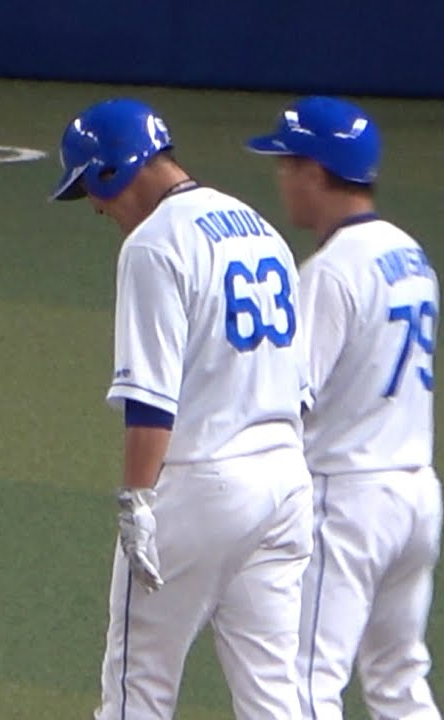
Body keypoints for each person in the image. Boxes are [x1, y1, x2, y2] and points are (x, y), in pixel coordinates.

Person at [51, 98, 314, 719]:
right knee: (273, 694)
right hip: (286, 485)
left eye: (92, 188)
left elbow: (150, 400)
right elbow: (301, 388)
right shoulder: (258, 226)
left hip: (203, 486)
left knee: (136, 686)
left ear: (114, 169)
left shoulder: (154, 244)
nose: (95, 206)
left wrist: (139, 501)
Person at [246, 96, 444, 719]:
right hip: (416, 495)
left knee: (305, 682)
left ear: (314, 171)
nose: (281, 180)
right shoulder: (412, 254)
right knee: (399, 679)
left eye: (286, 165)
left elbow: (290, 398)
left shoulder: (330, 272)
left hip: (348, 499)